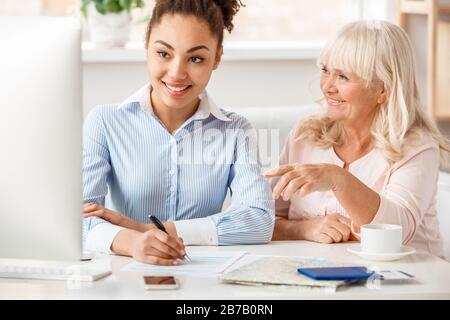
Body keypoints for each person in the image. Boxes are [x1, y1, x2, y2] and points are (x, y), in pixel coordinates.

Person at [82, 0, 274, 265]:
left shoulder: (235, 130)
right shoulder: (104, 122)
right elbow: (78, 221)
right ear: (146, 45)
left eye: (196, 58)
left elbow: (259, 221)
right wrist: (133, 242)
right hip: (128, 274)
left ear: (217, 57)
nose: (176, 73)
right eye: (164, 54)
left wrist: (153, 231)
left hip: (207, 281)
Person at [264, 20, 448, 257]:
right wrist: (303, 229)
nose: (327, 86)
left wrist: (337, 178)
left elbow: (397, 232)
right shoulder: (305, 135)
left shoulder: (417, 148)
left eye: (342, 77)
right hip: (324, 281)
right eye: (325, 71)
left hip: (409, 283)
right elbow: (263, 220)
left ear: (382, 89)